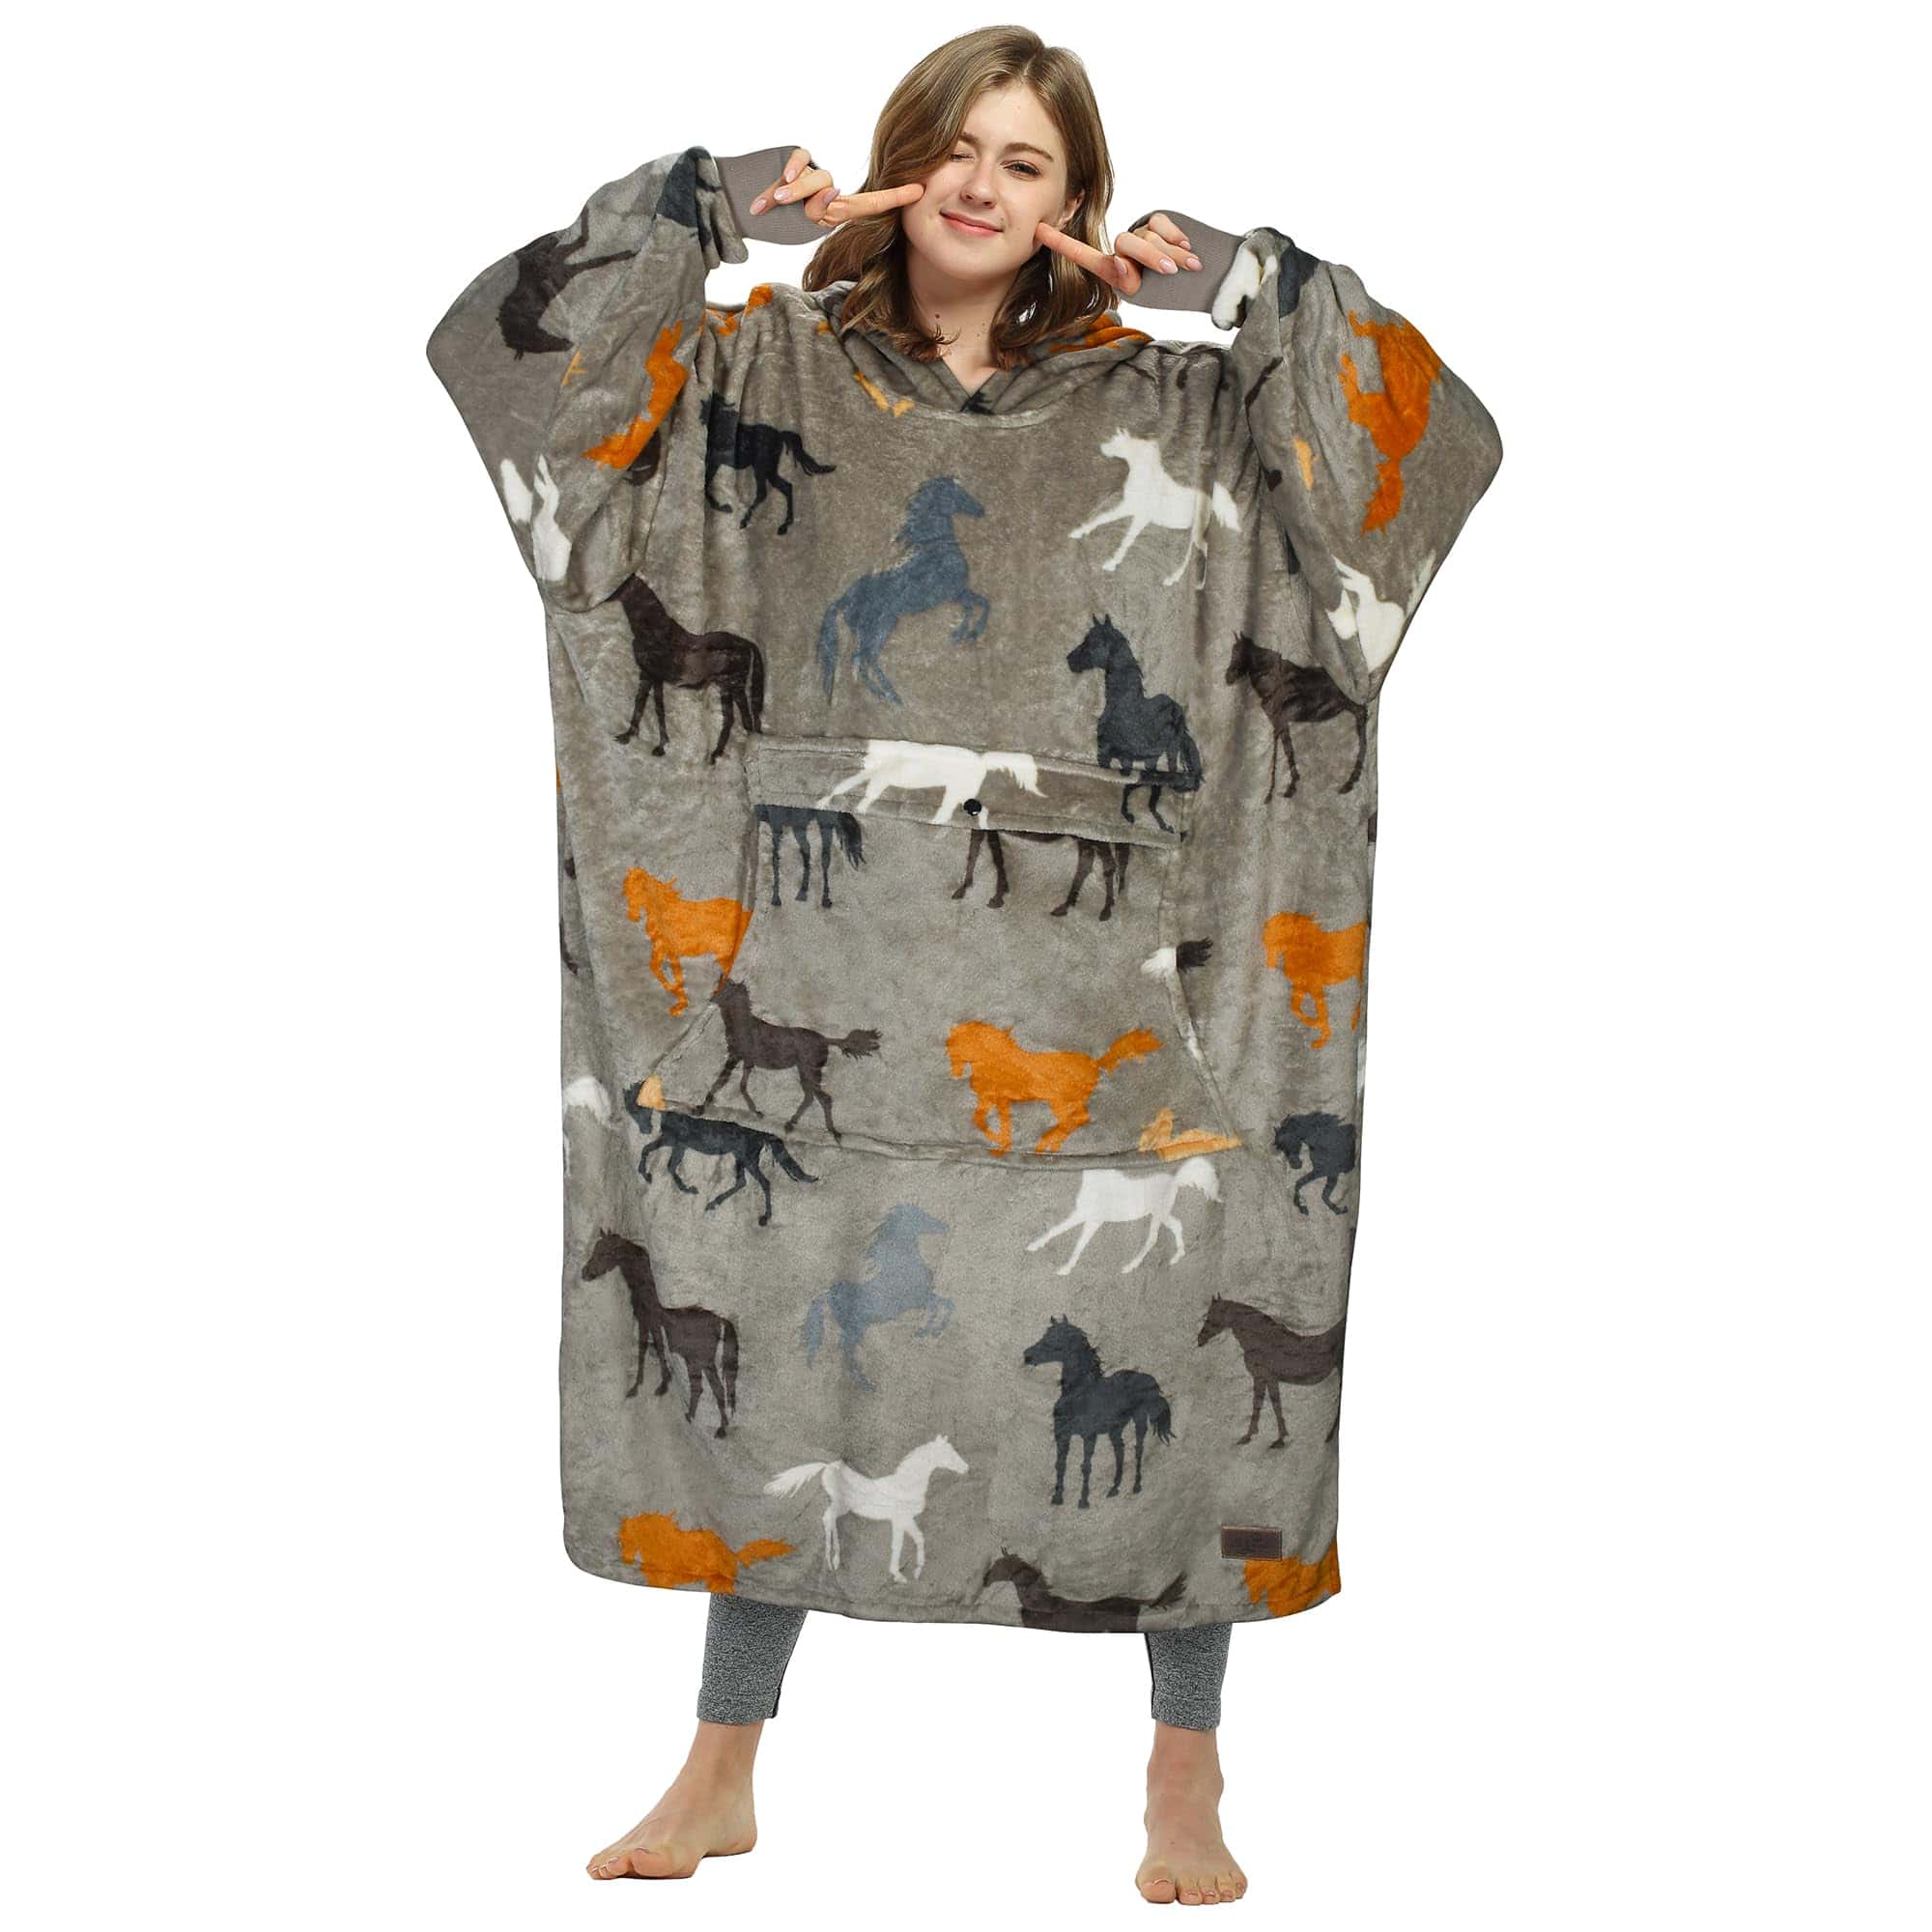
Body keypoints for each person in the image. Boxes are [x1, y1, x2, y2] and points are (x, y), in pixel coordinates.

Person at [425, 23, 1500, 1910]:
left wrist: (1258, 288)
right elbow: (514, 375)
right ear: (902, 159)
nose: (986, 185)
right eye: (960, 146)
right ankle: (722, 1763)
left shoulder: (1187, 413)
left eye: (1032, 162)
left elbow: (1425, 450)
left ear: (1080, 202)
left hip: (1116, 996)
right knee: (772, 1322)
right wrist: (694, 210)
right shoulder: (751, 373)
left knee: (1187, 1314)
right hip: (827, 957)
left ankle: (1184, 1774)